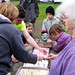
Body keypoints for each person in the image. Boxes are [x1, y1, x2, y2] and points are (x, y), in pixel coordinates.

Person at [0, 3, 44, 75]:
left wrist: (38, 48)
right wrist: (37, 57)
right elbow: (21, 55)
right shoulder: (11, 29)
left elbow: (27, 37)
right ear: (13, 16)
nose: (18, 23)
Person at [47, 0, 75, 75]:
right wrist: (57, 56)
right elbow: (66, 53)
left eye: (65, 17)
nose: (63, 21)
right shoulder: (72, 38)